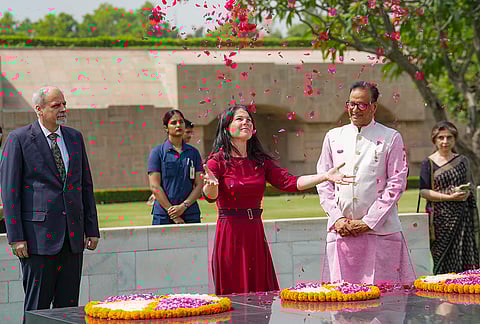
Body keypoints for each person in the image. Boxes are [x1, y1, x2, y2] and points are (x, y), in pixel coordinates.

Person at [202, 104, 352, 295]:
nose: (245, 122)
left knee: (260, 294)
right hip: (231, 232)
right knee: (236, 294)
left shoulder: (260, 161)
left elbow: (290, 182)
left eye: (248, 119)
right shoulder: (216, 161)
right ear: (226, 127)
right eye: (239, 119)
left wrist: (324, 176)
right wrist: (212, 186)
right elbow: (209, 196)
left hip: (255, 232)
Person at [0, 86, 100, 314]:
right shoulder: (19, 139)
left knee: (69, 309)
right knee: (38, 309)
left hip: (72, 239)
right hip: (37, 241)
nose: (63, 109)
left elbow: (85, 185)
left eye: (64, 104)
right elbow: (9, 191)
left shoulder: (75, 138)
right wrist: (16, 237)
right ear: (39, 109)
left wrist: (92, 229)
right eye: (56, 106)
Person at [316, 81, 415, 285]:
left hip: (381, 231)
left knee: (384, 302)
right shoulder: (333, 137)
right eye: (351, 104)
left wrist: (368, 222)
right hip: (341, 231)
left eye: (361, 104)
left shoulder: (391, 138)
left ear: (373, 107)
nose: (355, 109)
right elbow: (323, 181)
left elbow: (396, 183)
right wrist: (338, 219)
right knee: (343, 300)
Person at [419, 121, 479, 274]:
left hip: (462, 218)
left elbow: (470, 185)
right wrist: (449, 197)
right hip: (440, 220)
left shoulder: (463, 161)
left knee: (464, 256)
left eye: (449, 137)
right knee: (441, 258)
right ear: (435, 140)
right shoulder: (429, 163)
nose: (445, 141)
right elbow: (424, 191)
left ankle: (467, 290)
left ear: (454, 139)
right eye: (441, 138)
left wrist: (466, 193)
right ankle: (443, 292)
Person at [148, 110, 203, 224]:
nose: (178, 125)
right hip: (163, 215)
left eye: (181, 122)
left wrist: (183, 206)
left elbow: (199, 185)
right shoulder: (157, 153)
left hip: (190, 213)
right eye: (173, 123)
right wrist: (172, 213)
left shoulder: (193, 153)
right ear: (166, 128)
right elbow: (155, 186)